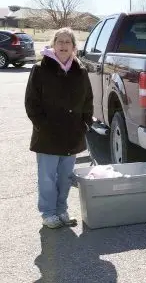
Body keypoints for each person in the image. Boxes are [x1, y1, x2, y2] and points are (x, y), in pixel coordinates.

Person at [25, 27, 93, 228]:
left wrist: (85, 123)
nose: (63, 46)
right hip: (47, 134)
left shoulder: (80, 71)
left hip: (72, 133)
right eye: (60, 42)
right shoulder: (40, 69)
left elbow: (88, 99)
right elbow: (31, 102)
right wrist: (42, 125)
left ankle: (61, 210)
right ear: (53, 44)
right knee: (47, 177)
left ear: (74, 47)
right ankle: (48, 213)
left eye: (67, 42)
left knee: (65, 176)